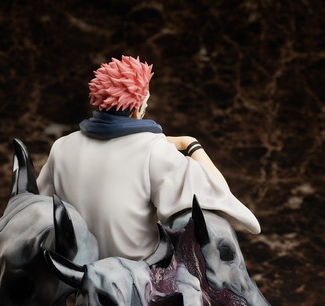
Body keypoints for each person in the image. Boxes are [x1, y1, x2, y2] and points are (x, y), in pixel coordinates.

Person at [37, 56, 260, 260]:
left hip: (76, 271)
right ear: (138, 109)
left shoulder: (62, 147)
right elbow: (219, 192)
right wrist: (190, 144)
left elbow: (39, 207)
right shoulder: (154, 149)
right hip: (138, 275)